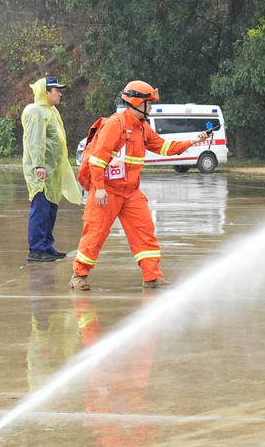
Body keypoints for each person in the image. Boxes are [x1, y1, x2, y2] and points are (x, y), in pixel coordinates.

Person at [71, 80, 210, 290]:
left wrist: (191, 141)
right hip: (106, 190)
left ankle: (152, 277)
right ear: (137, 102)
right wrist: (99, 187)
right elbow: (97, 160)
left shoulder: (143, 128)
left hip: (130, 192)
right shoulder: (114, 124)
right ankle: (78, 276)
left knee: (145, 232)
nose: (151, 108)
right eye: (149, 103)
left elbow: (164, 148)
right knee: (95, 234)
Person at [22, 76, 81, 262]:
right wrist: (39, 165)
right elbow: (36, 140)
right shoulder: (36, 111)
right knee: (40, 208)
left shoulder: (51, 111)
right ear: (45, 92)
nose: (60, 94)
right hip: (41, 170)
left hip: (53, 171)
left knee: (50, 209)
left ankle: (47, 246)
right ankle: (36, 249)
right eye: (57, 90)